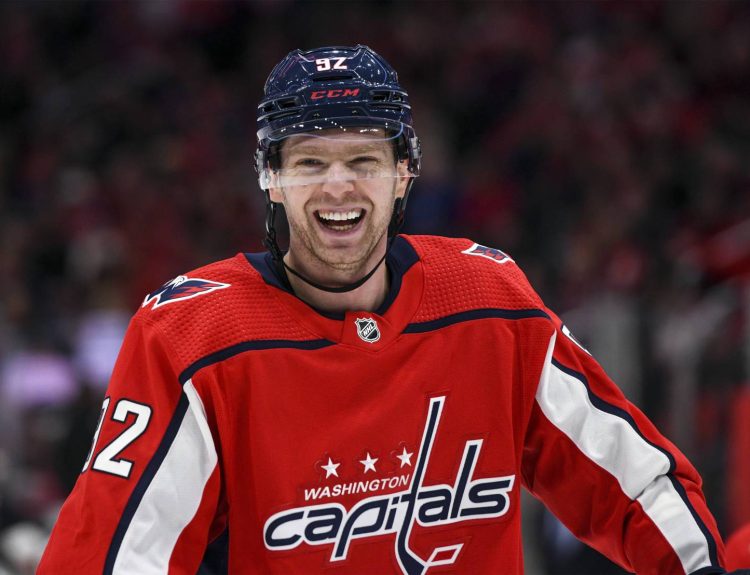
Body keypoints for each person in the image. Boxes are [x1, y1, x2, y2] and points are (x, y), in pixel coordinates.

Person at [38, 45, 748, 575]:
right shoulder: (192, 336)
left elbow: (631, 481)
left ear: (404, 172)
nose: (338, 186)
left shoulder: (490, 301)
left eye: (364, 161)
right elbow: (112, 552)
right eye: (309, 162)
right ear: (269, 177)